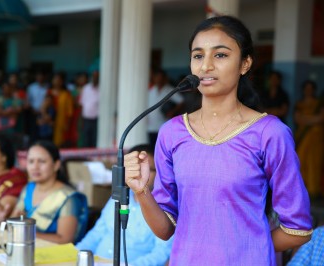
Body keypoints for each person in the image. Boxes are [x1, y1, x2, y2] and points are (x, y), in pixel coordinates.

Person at [124, 16, 312, 265]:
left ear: (245, 63)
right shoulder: (172, 133)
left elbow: (298, 229)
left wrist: (249, 247)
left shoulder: (269, 133)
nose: (206, 66)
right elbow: (165, 230)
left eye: (220, 55)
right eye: (198, 56)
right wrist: (141, 191)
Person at [76, 144, 173, 266]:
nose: (137, 174)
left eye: (146, 168)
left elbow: (161, 254)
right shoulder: (117, 197)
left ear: (160, 173)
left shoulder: (166, 207)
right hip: (97, 262)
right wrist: (76, 254)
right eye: (132, 168)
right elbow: (97, 233)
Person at [10, 140, 88, 244]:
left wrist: (25, 233)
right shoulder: (29, 189)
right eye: (31, 161)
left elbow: (65, 240)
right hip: (27, 248)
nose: (35, 167)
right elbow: (12, 223)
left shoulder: (69, 198)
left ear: (56, 165)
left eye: (42, 161)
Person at [294, 80, 324, 198]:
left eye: (311, 88)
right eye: (306, 88)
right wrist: (312, 120)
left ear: (314, 90)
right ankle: (301, 189)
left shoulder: (319, 103)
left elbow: (321, 118)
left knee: (315, 163)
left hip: (316, 138)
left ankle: (313, 190)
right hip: (302, 137)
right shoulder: (299, 104)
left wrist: (305, 119)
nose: (308, 91)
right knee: (300, 160)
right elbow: (297, 119)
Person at [147, 69, 183, 148]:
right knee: (151, 147)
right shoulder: (150, 90)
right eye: (156, 77)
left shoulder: (169, 89)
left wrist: (172, 112)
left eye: (160, 77)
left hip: (164, 123)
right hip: (150, 125)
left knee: (162, 147)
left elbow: (181, 101)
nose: (158, 79)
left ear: (164, 78)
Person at [48, 72, 74, 147]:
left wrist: (67, 124)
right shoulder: (48, 92)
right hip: (49, 122)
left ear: (62, 82)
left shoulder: (66, 94)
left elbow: (70, 111)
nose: (57, 82)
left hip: (61, 122)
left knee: (60, 143)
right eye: (55, 79)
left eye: (59, 80)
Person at [79, 71, 99, 147]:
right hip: (86, 118)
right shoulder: (86, 88)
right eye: (94, 76)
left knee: (94, 140)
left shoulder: (102, 88)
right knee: (86, 139)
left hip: (96, 119)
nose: (95, 78)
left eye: (97, 77)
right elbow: (82, 103)